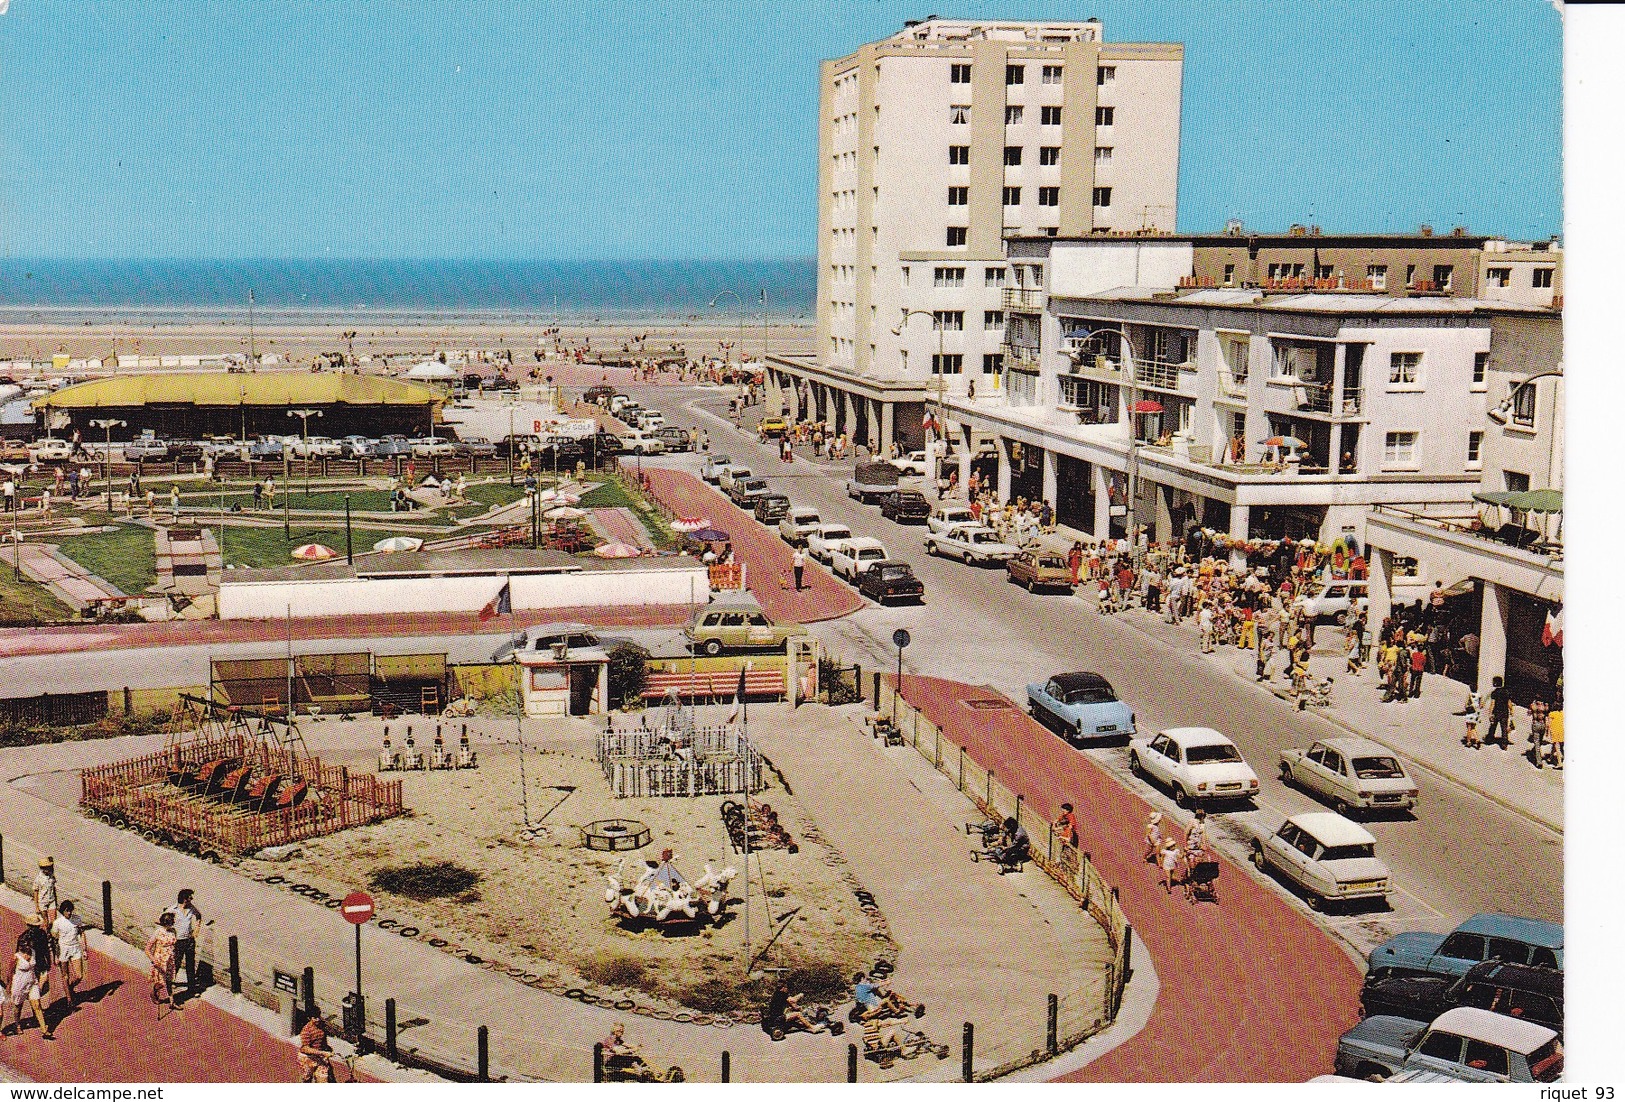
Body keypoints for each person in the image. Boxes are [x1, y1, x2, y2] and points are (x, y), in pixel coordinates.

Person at [1, 934, 51, 1039]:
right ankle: (17, 1024)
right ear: (21, 946)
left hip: (32, 982)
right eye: (26, 945)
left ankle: (44, 1029)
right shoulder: (16, 957)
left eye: (29, 944)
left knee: (37, 1004)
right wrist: (9, 985)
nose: (29, 947)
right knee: (18, 1007)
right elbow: (10, 972)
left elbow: (36, 967)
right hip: (19, 984)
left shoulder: (33, 952)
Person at [168, 888, 203, 1002]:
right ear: (184, 899)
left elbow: (199, 916)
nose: (192, 899)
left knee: (190, 965)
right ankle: (172, 982)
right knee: (176, 963)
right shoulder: (172, 909)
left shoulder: (191, 908)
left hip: (189, 940)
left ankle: (191, 988)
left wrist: (197, 928)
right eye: (190, 897)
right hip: (178, 941)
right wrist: (169, 929)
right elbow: (160, 919)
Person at [52, 900, 87, 1010]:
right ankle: (69, 1000)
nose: (69, 913)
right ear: (63, 911)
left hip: (75, 948)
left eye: (70, 910)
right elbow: (54, 939)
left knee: (79, 975)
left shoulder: (77, 919)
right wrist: (56, 956)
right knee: (65, 975)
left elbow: (81, 933)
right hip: (63, 949)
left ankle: (70, 987)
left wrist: (84, 949)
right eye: (67, 911)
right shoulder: (57, 923)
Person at [145, 910, 178, 1009]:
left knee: (169, 981)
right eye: (172, 922)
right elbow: (147, 949)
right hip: (160, 962)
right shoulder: (158, 932)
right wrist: (153, 959)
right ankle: (154, 991)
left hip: (170, 960)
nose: (174, 923)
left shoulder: (173, 931)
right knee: (162, 983)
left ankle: (172, 1002)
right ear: (166, 923)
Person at [298, 1014, 336, 1082]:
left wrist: (328, 1048)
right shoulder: (306, 1030)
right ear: (309, 1018)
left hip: (320, 1058)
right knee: (307, 1079)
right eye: (315, 1018)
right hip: (307, 1058)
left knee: (323, 1079)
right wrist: (323, 1053)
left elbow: (323, 1040)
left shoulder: (321, 1026)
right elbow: (305, 1049)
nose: (318, 1019)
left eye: (318, 1016)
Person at [1483, 676, 1513, 748]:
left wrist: (1490, 713)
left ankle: (1489, 739)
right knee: (1504, 728)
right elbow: (1509, 703)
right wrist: (1511, 710)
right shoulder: (1506, 692)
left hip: (1496, 712)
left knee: (1493, 726)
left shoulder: (1494, 693)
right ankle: (1504, 744)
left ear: (1496, 683)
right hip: (1504, 713)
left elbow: (1492, 704)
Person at [32, 857, 58, 931]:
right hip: (42, 902)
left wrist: (56, 900)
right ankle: (46, 935)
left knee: (54, 921)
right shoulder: (38, 879)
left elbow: (53, 888)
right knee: (45, 921)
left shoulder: (51, 876)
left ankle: (53, 935)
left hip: (51, 900)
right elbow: (35, 892)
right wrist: (37, 906)